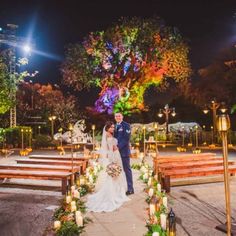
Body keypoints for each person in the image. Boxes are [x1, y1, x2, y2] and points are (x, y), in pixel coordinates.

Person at [86, 121, 129, 212]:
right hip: (113, 156)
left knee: (116, 175)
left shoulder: (109, 135)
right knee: (113, 175)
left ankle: (116, 192)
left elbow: (112, 147)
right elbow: (109, 150)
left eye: (113, 127)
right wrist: (113, 161)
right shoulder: (108, 137)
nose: (113, 129)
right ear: (107, 129)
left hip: (115, 155)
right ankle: (113, 194)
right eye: (111, 128)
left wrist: (116, 148)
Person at [114, 112, 134, 195]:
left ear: (122, 117)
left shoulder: (126, 125)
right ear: (115, 117)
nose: (118, 117)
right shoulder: (114, 126)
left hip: (124, 152)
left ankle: (130, 189)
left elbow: (126, 139)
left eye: (119, 116)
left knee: (127, 170)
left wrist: (118, 147)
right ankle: (117, 188)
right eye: (116, 116)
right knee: (116, 170)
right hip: (115, 152)